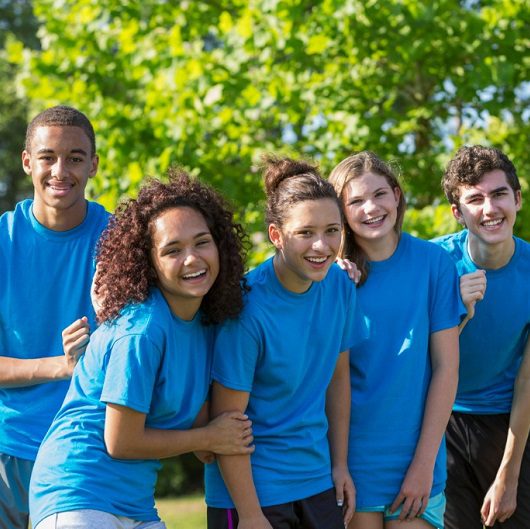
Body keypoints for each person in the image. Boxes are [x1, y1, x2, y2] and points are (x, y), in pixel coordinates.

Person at [29, 170, 255, 529]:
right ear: (149, 263)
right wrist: (209, 436)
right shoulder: (142, 330)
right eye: (172, 250)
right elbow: (121, 440)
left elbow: (201, 435)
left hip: (133, 503)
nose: (192, 259)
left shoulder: (203, 323)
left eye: (201, 242)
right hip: (77, 492)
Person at [205, 155, 364, 529]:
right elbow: (227, 420)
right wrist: (249, 514)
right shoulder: (246, 308)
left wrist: (339, 465)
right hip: (251, 492)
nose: (322, 246)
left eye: (332, 230)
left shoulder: (339, 286)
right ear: (276, 235)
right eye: (306, 233)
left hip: (316, 481)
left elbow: (337, 380)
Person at [329, 151, 461, 529]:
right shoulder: (332, 279)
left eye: (379, 194)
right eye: (354, 201)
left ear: (398, 196)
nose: (371, 208)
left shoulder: (435, 264)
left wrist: (423, 464)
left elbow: (447, 369)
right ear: (340, 212)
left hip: (417, 458)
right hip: (353, 460)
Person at [0, 105, 109, 529]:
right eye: (47, 157)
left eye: (75, 158)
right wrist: (60, 367)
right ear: (28, 162)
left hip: (86, 449)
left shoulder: (118, 241)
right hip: (9, 448)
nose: (60, 171)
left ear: (93, 165)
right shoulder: (4, 241)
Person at [433, 145, 530, 529]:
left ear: (517, 199)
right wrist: (458, 312)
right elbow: (412, 360)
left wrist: (509, 473)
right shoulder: (435, 265)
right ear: (458, 213)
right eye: (475, 199)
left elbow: (528, 378)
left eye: (499, 194)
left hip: (510, 424)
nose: (489, 209)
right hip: (441, 421)